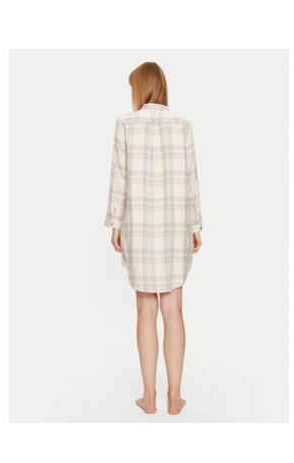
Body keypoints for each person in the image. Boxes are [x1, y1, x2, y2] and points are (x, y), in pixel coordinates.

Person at [104, 62, 203, 415]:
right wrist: (195, 225)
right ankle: (175, 398)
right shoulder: (183, 126)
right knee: (174, 309)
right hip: (176, 226)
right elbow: (191, 180)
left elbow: (119, 178)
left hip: (140, 227)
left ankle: (149, 398)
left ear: (139, 89)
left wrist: (115, 223)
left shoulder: (125, 124)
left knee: (146, 309)